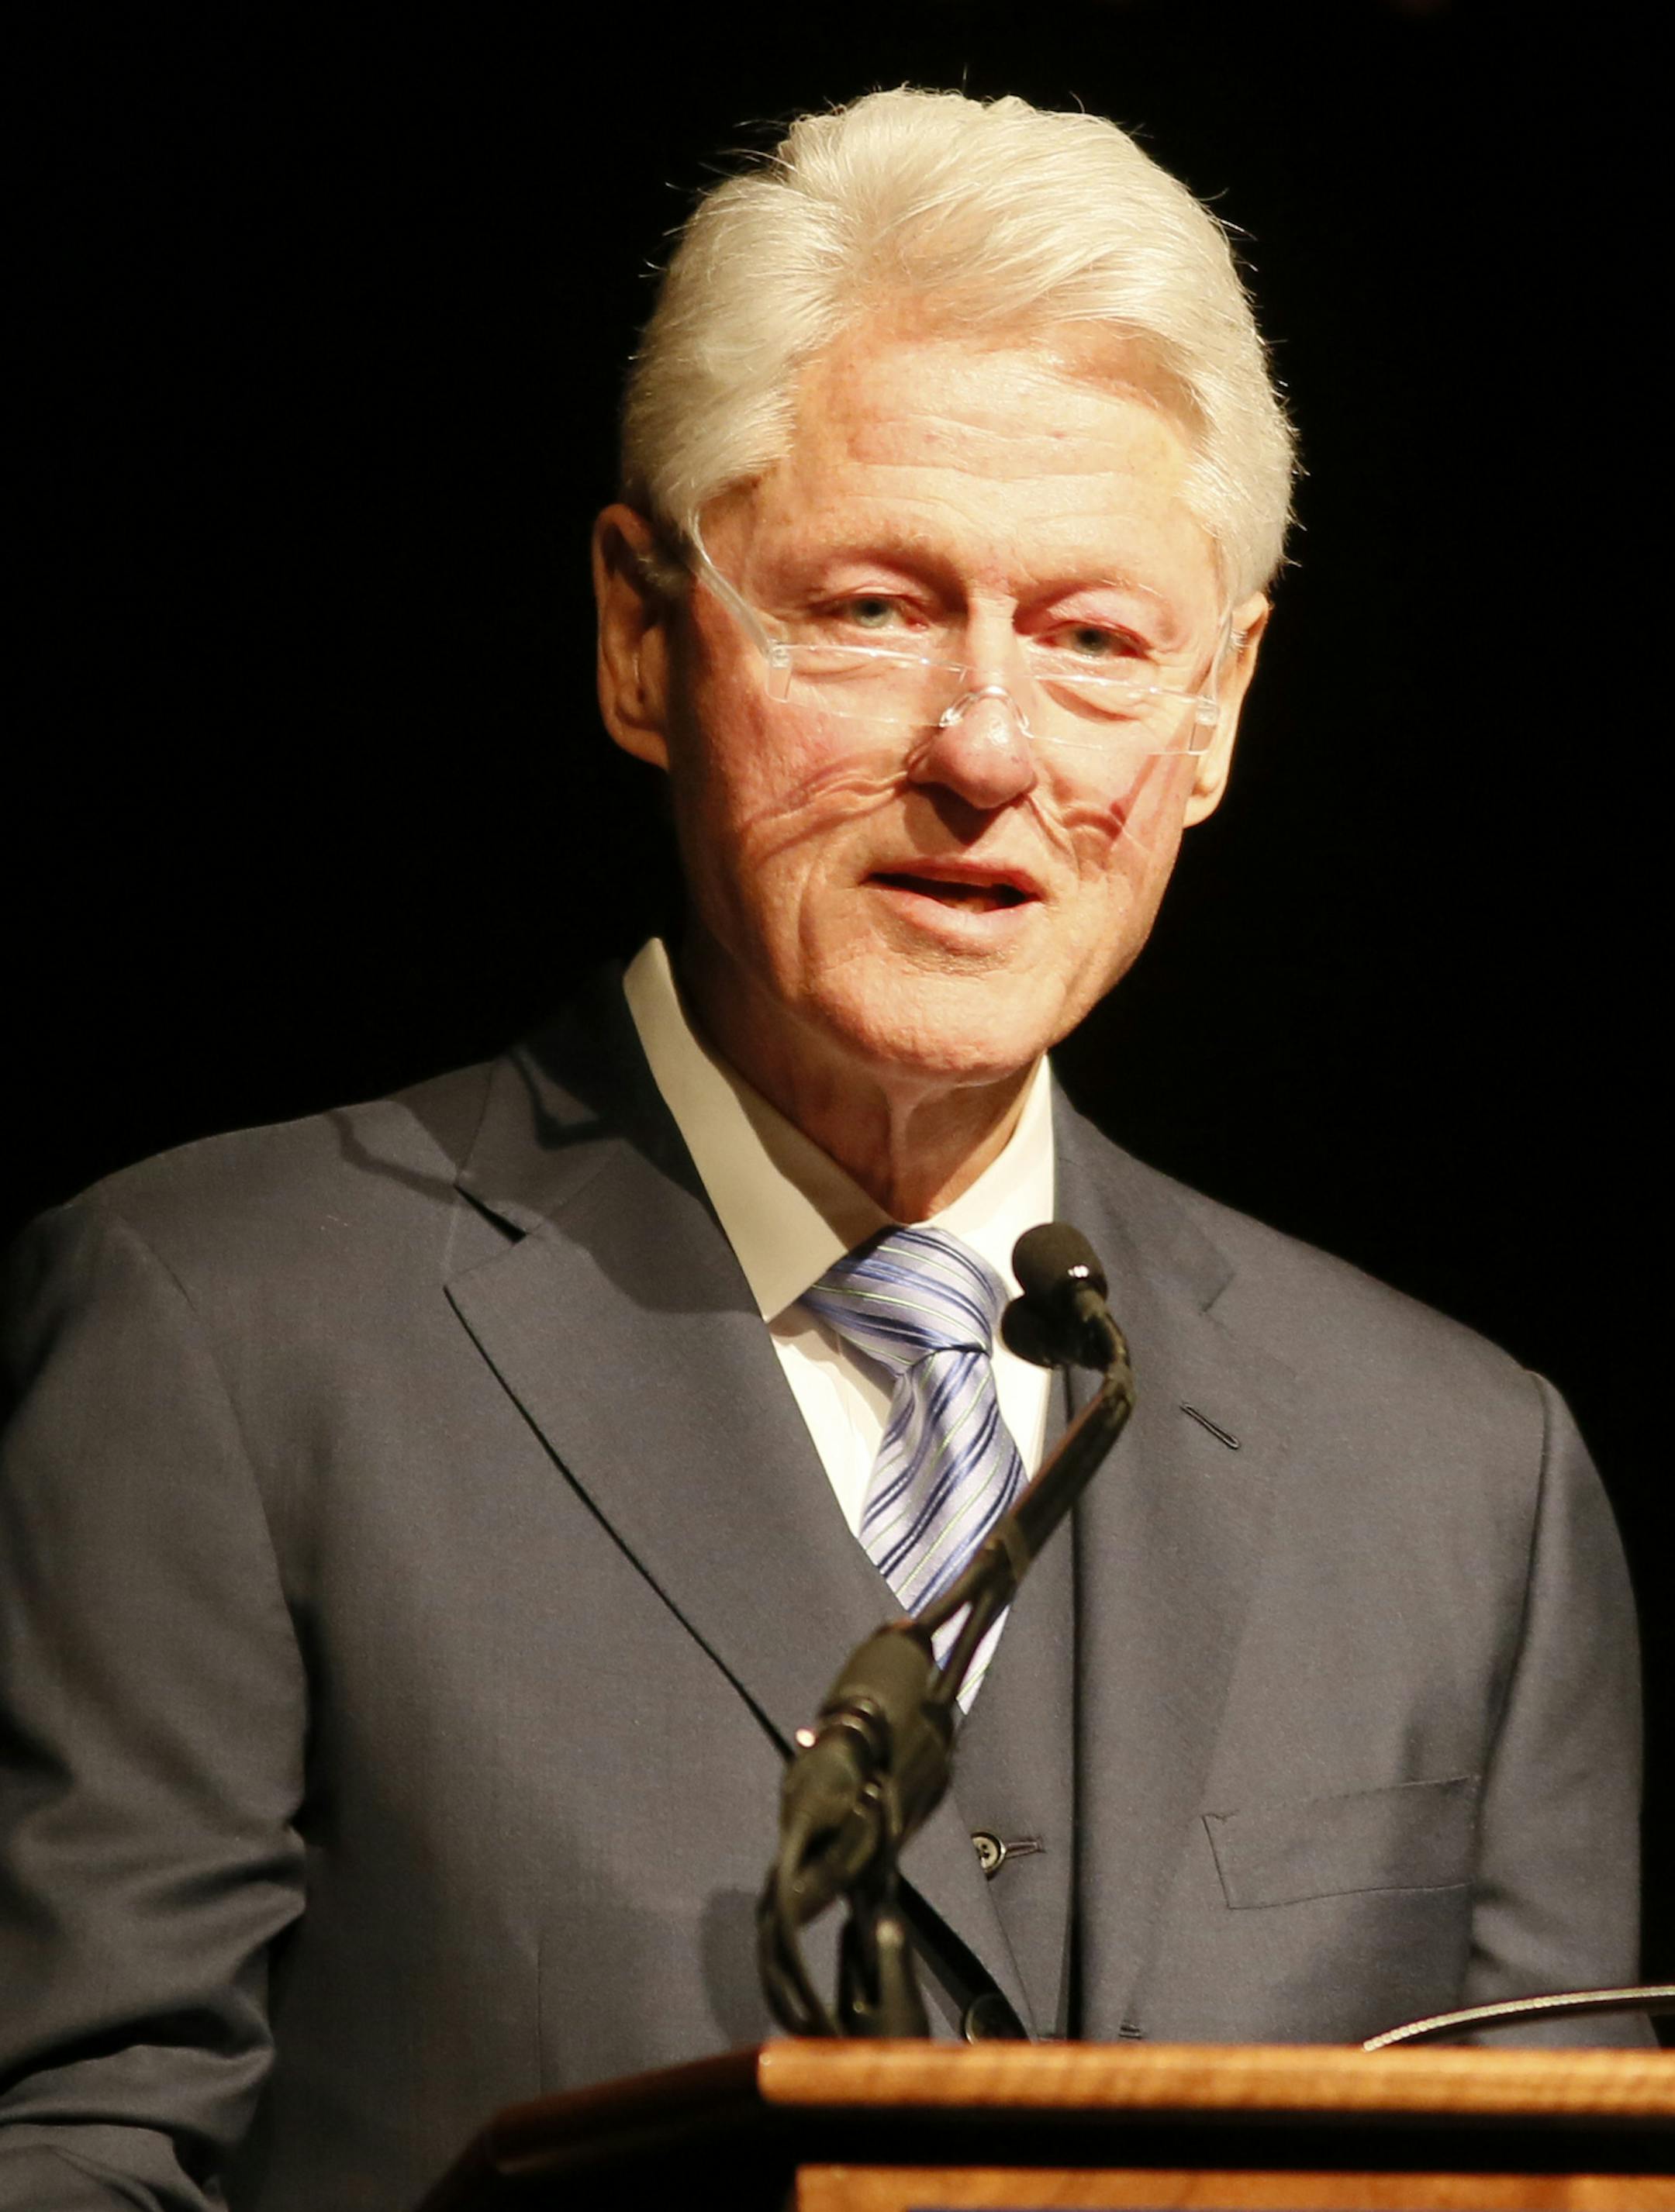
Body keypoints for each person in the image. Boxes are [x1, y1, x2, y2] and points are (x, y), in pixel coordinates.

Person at [0, 86, 1644, 2212]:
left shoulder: (1459, 1483)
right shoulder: (220, 1340)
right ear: (637, 633)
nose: (985, 748)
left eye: (1094, 641)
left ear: (1218, 712)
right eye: (872, 609)